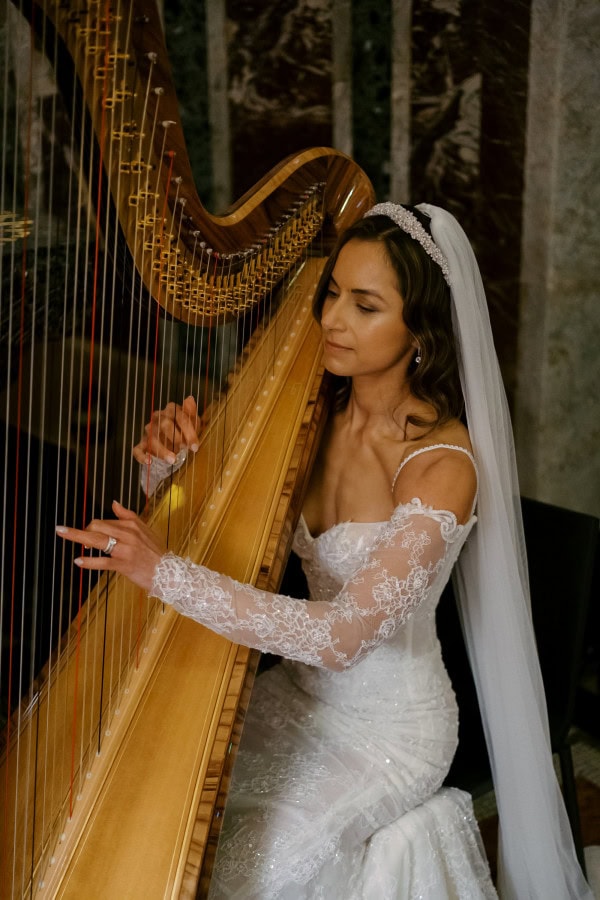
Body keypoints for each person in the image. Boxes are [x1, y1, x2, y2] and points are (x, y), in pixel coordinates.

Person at [56, 203, 593, 899]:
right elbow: (207, 525)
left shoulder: (440, 466)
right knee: (147, 793)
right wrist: (171, 470)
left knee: (252, 869)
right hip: (296, 696)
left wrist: (161, 573)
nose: (333, 319)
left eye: (365, 305)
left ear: (420, 332)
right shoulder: (302, 407)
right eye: (333, 293)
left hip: (390, 729)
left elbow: (344, 638)